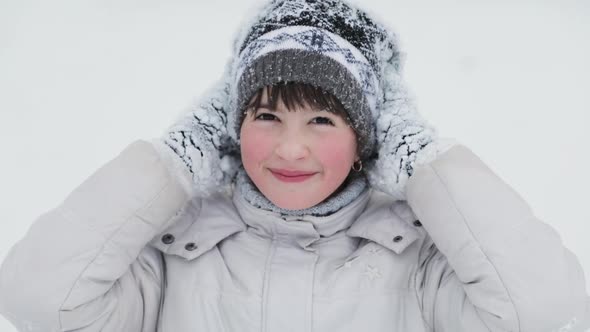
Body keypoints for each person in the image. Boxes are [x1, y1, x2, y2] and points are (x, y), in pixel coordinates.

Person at [0, 0, 588, 331]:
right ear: (228, 128)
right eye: (266, 117)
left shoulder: (420, 260)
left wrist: (422, 162)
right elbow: (40, 298)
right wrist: (175, 159)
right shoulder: (174, 254)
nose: (289, 148)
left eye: (322, 122)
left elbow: (535, 307)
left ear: (368, 138)